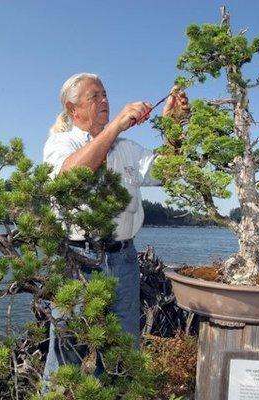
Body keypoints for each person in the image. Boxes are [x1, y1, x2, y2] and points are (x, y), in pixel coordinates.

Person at [42, 72, 188, 385]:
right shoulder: (61, 143)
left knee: (125, 353)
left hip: (124, 260)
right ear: (73, 109)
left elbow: (170, 172)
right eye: (95, 96)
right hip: (76, 258)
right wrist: (115, 126)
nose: (105, 100)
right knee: (68, 351)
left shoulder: (129, 149)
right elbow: (70, 176)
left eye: (106, 94)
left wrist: (173, 127)